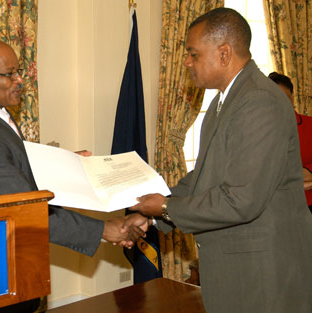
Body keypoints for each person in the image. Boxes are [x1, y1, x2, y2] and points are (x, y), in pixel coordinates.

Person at [125, 8, 312, 313]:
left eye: (193, 54)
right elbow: (204, 176)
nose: (186, 62)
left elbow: (241, 198)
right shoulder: (223, 101)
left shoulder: (259, 102)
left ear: (224, 54)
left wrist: (165, 206)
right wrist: (152, 216)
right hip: (237, 266)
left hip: (263, 272)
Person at [0, 38, 148, 313]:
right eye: (9, 74)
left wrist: (65, 163)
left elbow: (12, 169)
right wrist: (104, 229)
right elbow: (25, 208)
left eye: (19, 71)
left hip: (11, 266)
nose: (19, 80)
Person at [268, 72, 312, 213]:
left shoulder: (309, 124)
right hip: (274, 206)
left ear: (292, 97)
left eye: (285, 97)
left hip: (308, 203)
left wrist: (310, 170)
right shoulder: (258, 130)